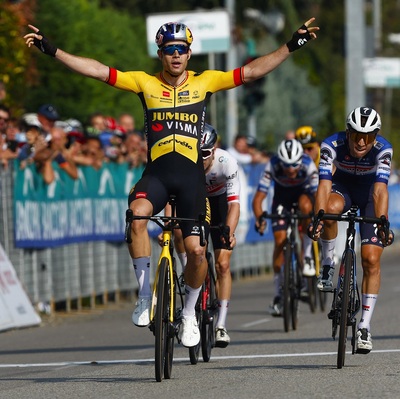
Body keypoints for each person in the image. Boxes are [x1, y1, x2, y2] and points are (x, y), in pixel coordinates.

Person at [24, 18, 319, 347]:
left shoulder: (205, 82)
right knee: (136, 216)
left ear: (189, 54)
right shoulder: (144, 83)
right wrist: (53, 51)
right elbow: (97, 70)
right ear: (160, 54)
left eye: (181, 49)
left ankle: (190, 313)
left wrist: (292, 46)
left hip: (192, 179)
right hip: (158, 174)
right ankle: (143, 295)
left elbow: (251, 72)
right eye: (169, 50)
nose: (175, 55)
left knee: (196, 252)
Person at [309, 106, 394, 354]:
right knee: (329, 210)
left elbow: (380, 191)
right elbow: (324, 185)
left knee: (370, 258)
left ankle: (365, 327)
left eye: (367, 136)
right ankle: (327, 263)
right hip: (342, 188)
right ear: (347, 132)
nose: (360, 141)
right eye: (356, 134)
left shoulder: (383, 149)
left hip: (369, 194)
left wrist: (382, 222)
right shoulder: (331, 144)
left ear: (375, 136)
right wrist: (318, 218)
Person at [171, 123, 240, 347]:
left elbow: (234, 205)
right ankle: (187, 269)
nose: (200, 159)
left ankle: (221, 325)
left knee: (222, 265)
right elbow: (172, 199)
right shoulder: (183, 164)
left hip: (220, 203)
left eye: (205, 154)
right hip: (195, 200)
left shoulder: (226, 162)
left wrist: (229, 231)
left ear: (214, 149)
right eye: (195, 153)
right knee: (179, 231)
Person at [253, 139, 318, 316]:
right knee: (280, 241)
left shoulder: (307, 164)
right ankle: (278, 295)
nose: (290, 170)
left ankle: (306, 256)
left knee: (306, 207)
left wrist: (315, 220)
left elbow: (317, 195)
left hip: (304, 196)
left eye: (294, 165)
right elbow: (259, 198)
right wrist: (260, 218)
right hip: (282, 200)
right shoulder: (272, 165)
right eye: (286, 166)